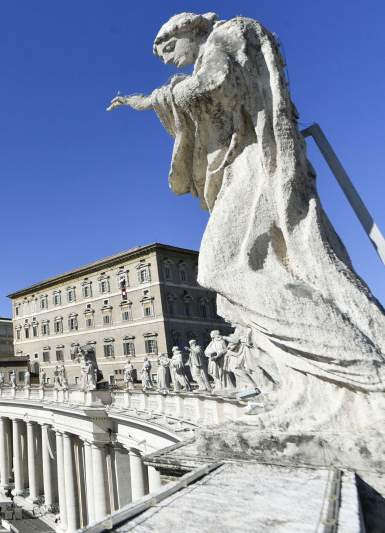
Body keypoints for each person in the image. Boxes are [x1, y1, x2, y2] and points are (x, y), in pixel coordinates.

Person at [108, 12, 385, 426]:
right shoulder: (205, 58)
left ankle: (361, 370)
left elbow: (215, 84)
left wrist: (172, 92)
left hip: (256, 166)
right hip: (242, 169)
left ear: (191, 30)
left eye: (167, 46)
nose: (165, 58)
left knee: (222, 266)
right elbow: (181, 95)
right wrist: (141, 101)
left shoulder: (227, 37)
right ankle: (317, 381)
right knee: (246, 268)